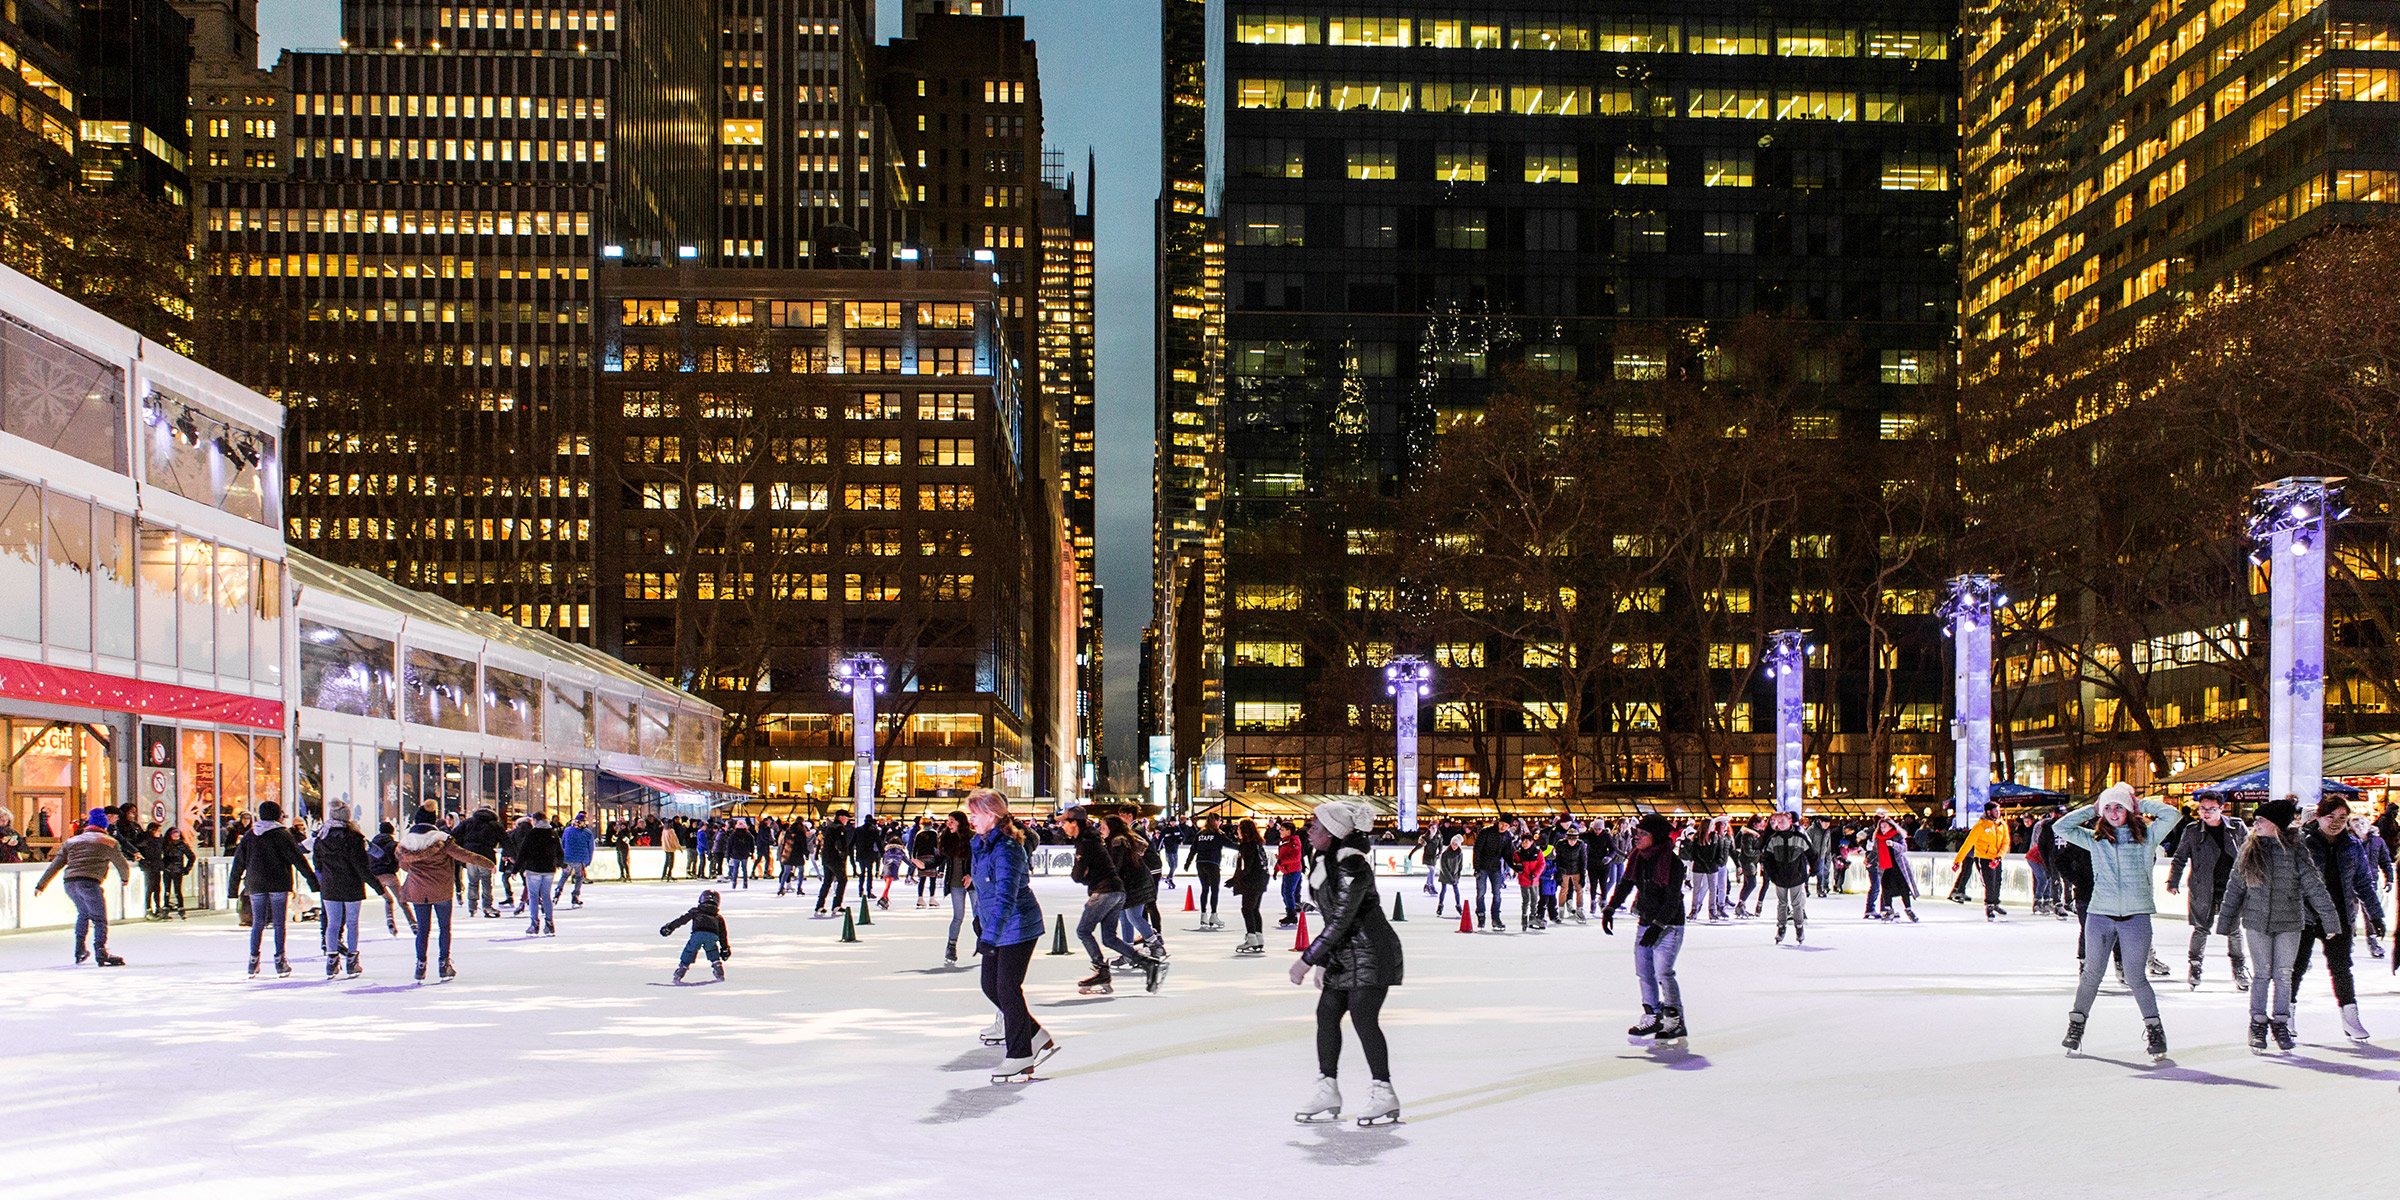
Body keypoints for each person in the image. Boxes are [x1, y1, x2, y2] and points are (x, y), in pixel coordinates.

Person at [1291, 799, 1403, 1126]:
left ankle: (1384, 1092)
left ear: (1332, 832)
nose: (1308, 830)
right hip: (1345, 954)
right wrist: (1326, 960)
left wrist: (1308, 960)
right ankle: (1328, 1087)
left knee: (1362, 1015)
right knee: (1326, 1013)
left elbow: (1340, 919)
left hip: (1373, 952)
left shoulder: (1352, 864)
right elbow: (1334, 919)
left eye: (1314, 826)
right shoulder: (1324, 861)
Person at [2054, 782, 2183, 1058]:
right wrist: (2094, 806)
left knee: (2137, 977)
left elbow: (2173, 816)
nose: (2113, 812)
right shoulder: (2095, 839)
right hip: (2100, 914)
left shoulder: (2147, 836)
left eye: (2119, 807)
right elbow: (2060, 827)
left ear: (2128, 809)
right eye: (2108, 808)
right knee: (2092, 975)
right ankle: (2076, 1025)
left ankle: (2155, 1030)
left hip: (2136, 915)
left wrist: (2140, 803)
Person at [2213, 798, 2337, 1052]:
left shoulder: (2296, 850)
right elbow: (2235, 887)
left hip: (2289, 922)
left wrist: (2330, 918)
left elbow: (2314, 886)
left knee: (2283, 973)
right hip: (2257, 921)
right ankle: (2257, 1022)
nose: (2255, 824)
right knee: (2261, 974)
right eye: (2256, 820)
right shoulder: (2248, 849)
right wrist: (2226, 921)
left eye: (2261, 820)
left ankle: (2280, 1022)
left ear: (2276, 824)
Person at [969, 790, 1058, 1083]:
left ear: (991, 815)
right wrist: (980, 922)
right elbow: (986, 891)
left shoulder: (1006, 848)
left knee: (1007, 987)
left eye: (975, 813)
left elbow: (1006, 897)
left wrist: (990, 936)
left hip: (1019, 926)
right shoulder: (982, 845)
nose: (971, 818)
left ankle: (1020, 1055)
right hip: (998, 926)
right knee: (990, 986)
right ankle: (1034, 1034)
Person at [1602, 814, 1689, 1045]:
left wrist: (1658, 926)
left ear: (1656, 837)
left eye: (1642, 834)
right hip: (1646, 921)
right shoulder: (1638, 858)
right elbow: (1626, 884)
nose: (1636, 838)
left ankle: (1675, 1020)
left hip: (1669, 924)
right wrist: (1610, 907)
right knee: (1644, 971)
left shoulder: (1673, 863)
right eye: (1636, 833)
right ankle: (1652, 1015)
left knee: (1664, 972)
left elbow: (1672, 899)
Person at [2294, 796, 2375, 1040]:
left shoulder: (2352, 845)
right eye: (2330, 817)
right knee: (2296, 968)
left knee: (2342, 968)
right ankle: (2284, 1017)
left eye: (2342, 818)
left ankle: (2351, 1018)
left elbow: (2363, 882)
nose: (2336, 822)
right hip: (2305, 916)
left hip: (2340, 916)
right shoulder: (2302, 843)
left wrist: (2376, 915)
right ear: (2318, 817)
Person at [1062, 807, 1162, 994]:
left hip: (1106, 891)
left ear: (1074, 823)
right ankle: (1148, 964)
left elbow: (1077, 875)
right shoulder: (1094, 840)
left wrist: (1085, 875)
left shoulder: (1087, 843)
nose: (1062, 826)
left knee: (1083, 931)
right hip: (1118, 891)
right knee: (1109, 937)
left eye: (1064, 822)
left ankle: (1101, 970)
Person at [396, 804, 497, 982]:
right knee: (444, 928)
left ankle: (420, 965)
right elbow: (465, 855)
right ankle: (444, 964)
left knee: (423, 930)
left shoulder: (406, 843)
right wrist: (488, 863)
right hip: (441, 889)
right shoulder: (442, 840)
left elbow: (404, 865)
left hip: (419, 891)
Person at [229, 800, 323, 978]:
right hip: (279, 883)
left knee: (258, 923)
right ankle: (280, 961)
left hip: (255, 884)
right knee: (279, 923)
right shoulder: (283, 835)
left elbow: (238, 862)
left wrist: (232, 889)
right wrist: (313, 882)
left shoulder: (250, 835)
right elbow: (297, 859)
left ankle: (253, 961)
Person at [2166, 794, 2251, 991]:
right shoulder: (2193, 830)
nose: (2206, 812)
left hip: (2232, 886)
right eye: (2202, 808)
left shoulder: (2236, 827)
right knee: (2201, 928)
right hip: (2203, 886)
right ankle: (2195, 966)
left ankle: (2239, 968)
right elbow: (2179, 857)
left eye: (2211, 808)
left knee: (2234, 929)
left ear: (2222, 808)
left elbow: (2251, 853)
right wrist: (2173, 881)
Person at [31, 809, 130, 966]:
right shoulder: (109, 842)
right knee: (99, 918)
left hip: (70, 883)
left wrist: (41, 885)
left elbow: (55, 865)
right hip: (89, 882)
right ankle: (101, 950)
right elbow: (122, 864)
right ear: (104, 826)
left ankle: (79, 950)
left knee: (83, 913)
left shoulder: (72, 841)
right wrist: (125, 879)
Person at [310, 801, 384, 977]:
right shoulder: (354, 838)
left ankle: (331, 961)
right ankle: (352, 961)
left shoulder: (322, 837)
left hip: (330, 886)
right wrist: (379, 889)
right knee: (352, 923)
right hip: (352, 886)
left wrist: (324, 878)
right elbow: (361, 867)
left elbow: (317, 863)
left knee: (332, 924)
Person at [1760, 810, 1817, 945]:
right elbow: (1767, 858)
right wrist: (1772, 873)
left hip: (1796, 876)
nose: (1779, 824)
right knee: (1782, 903)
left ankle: (1799, 927)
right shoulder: (1774, 839)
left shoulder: (1799, 837)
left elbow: (1812, 854)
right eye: (1777, 822)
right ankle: (1781, 927)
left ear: (1790, 822)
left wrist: (1814, 870)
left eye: (1782, 821)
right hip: (1780, 877)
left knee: (1797, 904)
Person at [1952, 803, 2012, 918]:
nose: (1998, 813)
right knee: (1989, 882)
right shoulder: (1981, 826)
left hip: (1996, 858)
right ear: (1988, 812)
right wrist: (1958, 861)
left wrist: (1999, 856)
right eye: (1995, 811)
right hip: (1983, 858)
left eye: (1998, 811)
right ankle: (1989, 905)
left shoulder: (2002, 824)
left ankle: (1995, 902)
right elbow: (1968, 843)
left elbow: (2006, 842)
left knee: (1998, 880)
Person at [660, 889, 731, 983]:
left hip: (697, 934)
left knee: (690, 950)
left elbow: (682, 920)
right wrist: (725, 948)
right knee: (712, 949)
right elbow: (723, 934)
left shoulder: (696, 912)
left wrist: (670, 927)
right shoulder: (718, 917)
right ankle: (718, 967)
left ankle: (682, 969)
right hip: (712, 936)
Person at [1229, 818, 1271, 956]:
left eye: (1240, 829)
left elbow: (1247, 867)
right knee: (1254, 909)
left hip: (1253, 880)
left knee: (1247, 909)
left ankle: (1252, 938)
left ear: (1244, 830)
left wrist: (1235, 880)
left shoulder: (1248, 846)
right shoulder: (1257, 844)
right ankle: (1258, 938)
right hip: (1262, 879)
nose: (1238, 831)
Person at [517, 811, 563, 936]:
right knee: (546, 896)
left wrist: (515, 869)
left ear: (536, 821)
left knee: (533, 897)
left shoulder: (532, 833)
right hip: (549, 870)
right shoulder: (552, 833)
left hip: (533, 869)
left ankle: (534, 924)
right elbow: (559, 851)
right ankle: (549, 924)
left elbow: (523, 852)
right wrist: (562, 864)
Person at [938, 810, 973, 965]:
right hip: (955, 883)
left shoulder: (973, 838)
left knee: (980, 914)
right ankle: (951, 946)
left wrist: (971, 875)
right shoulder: (947, 838)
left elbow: (980, 859)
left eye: (952, 820)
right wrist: (925, 864)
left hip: (973, 884)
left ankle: (987, 943)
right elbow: (940, 858)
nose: (949, 823)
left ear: (960, 822)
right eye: (948, 820)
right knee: (958, 916)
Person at [1869, 816, 1919, 922]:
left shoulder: (1897, 836)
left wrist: (1893, 844)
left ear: (1891, 826)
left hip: (1899, 867)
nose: (1882, 829)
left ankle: (1908, 909)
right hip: (1886, 868)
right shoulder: (1878, 838)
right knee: (1886, 889)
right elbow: (1874, 851)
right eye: (1881, 827)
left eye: (1885, 827)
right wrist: (1869, 861)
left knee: (1903, 888)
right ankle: (1888, 909)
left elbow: (1904, 848)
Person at [367, 821, 411, 935]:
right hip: (389, 874)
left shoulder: (372, 845)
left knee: (388, 900)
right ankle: (413, 923)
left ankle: (390, 921)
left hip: (376, 877)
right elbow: (400, 859)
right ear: (392, 832)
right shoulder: (394, 844)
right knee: (402, 900)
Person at [1187, 815, 1230, 930]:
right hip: (1212, 863)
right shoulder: (1218, 834)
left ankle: (1203, 915)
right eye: (1219, 820)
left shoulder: (1200, 834)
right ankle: (1213, 915)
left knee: (1205, 889)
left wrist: (1188, 863)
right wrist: (1245, 847)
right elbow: (1229, 844)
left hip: (1200, 863)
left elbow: (1193, 849)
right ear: (1215, 821)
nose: (1220, 823)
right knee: (1214, 889)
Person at [1471, 816, 1511, 931]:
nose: (1504, 827)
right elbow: (1477, 849)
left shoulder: (1507, 836)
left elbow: (1507, 854)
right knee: (1481, 892)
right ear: (1499, 822)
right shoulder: (1486, 832)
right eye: (1502, 824)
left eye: (1507, 826)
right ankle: (1481, 915)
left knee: (1497, 894)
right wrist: (1477, 868)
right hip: (1483, 867)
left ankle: (1496, 918)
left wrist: (1515, 867)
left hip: (1496, 868)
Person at [813, 811, 853, 915]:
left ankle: (819, 905)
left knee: (827, 882)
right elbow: (840, 844)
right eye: (846, 817)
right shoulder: (839, 828)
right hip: (835, 859)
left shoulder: (829, 827)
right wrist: (843, 855)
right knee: (842, 880)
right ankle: (837, 904)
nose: (847, 820)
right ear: (840, 817)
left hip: (826, 858)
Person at [1275, 820, 1307, 928]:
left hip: (1293, 871)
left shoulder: (1293, 842)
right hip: (1287, 871)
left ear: (1288, 831)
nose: (1280, 831)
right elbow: (1281, 857)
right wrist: (1277, 868)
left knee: (1288, 893)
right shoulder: (1285, 841)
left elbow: (1295, 857)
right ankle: (1291, 910)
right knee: (1285, 893)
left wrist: (1281, 862)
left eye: (1282, 830)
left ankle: (1291, 914)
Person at [560, 813, 595, 906]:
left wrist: (563, 856)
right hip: (580, 859)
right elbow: (591, 847)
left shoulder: (567, 830)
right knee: (579, 877)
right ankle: (575, 895)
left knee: (564, 876)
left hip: (568, 858)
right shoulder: (587, 832)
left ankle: (557, 892)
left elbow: (563, 843)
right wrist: (588, 860)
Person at [159, 827, 195, 917]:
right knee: (167, 890)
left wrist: (187, 869)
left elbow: (191, 856)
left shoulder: (182, 845)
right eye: (174, 835)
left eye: (177, 835)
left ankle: (181, 907)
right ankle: (166, 907)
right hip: (168, 869)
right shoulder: (165, 844)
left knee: (177, 890)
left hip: (177, 871)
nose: (176, 836)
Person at [1433, 833, 1464, 917]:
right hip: (1445, 875)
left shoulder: (1460, 854)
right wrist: (1450, 877)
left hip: (1454, 875)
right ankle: (1440, 906)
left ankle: (1458, 906)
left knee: (1456, 891)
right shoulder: (1445, 853)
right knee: (1443, 890)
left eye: (1456, 844)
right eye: (1453, 844)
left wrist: (1457, 876)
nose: (1454, 846)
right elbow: (1443, 867)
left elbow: (1460, 866)